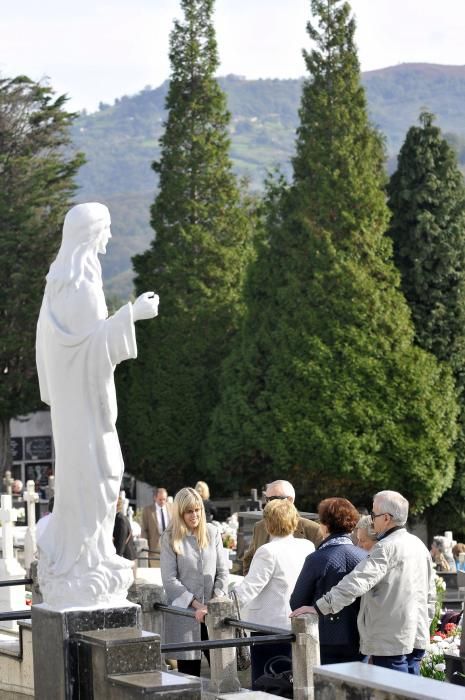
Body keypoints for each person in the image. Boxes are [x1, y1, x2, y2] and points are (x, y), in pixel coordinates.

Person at [35, 202, 159, 607]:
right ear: (91, 234)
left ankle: (90, 556)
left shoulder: (59, 284)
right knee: (103, 475)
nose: (108, 238)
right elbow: (89, 348)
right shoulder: (82, 287)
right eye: (105, 230)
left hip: (75, 410)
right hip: (84, 411)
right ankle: (86, 557)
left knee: (94, 478)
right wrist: (133, 315)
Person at [292, 490, 436, 675]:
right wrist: (426, 622)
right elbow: (430, 593)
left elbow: (357, 581)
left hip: (391, 639)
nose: (372, 519)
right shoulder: (418, 544)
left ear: (386, 518)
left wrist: (319, 607)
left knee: (393, 692)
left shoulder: (386, 547)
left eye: (374, 515)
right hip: (416, 633)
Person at [232, 499, 314, 689]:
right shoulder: (307, 546)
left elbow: (249, 588)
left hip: (269, 628)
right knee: (294, 683)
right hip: (298, 623)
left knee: (267, 683)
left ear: (268, 523)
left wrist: (221, 604)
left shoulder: (268, 551)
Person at [160, 487, 228, 677]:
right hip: (186, 617)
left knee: (223, 675)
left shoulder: (212, 532)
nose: (194, 515)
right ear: (180, 513)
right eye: (189, 511)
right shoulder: (169, 538)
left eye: (197, 510)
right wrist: (197, 605)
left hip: (214, 615)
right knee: (189, 677)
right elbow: (169, 579)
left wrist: (214, 603)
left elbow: (223, 571)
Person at [290, 498, 367, 664]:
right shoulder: (365, 558)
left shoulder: (317, 559)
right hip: (361, 637)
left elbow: (297, 602)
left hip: (325, 637)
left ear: (325, 525)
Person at [242, 479, 323, 575]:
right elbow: (249, 559)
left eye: (273, 499)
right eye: (267, 499)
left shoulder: (313, 529)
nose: (269, 504)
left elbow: (321, 566)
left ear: (290, 500)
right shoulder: (260, 527)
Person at [141, 487, 173, 567]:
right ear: (155, 498)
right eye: (160, 499)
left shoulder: (172, 508)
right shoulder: (147, 510)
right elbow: (144, 530)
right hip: (154, 548)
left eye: (164, 499)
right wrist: (146, 548)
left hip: (170, 547)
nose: (162, 502)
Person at [113, 495, 137, 563]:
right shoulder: (118, 518)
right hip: (125, 558)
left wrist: (117, 558)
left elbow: (121, 541)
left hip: (127, 558)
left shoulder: (120, 519)